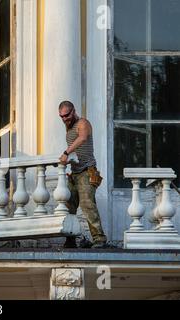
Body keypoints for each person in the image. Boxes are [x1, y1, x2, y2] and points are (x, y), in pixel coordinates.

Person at [58, 101, 108, 249]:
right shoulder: (68, 127)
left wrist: (66, 153)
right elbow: (76, 149)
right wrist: (69, 162)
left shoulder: (83, 123)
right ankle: (71, 239)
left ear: (73, 111)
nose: (64, 119)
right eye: (61, 116)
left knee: (87, 205)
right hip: (74, 173)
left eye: (66, 115)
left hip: (87, 171)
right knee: (68, 206)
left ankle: (99, 239)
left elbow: (83, 138)